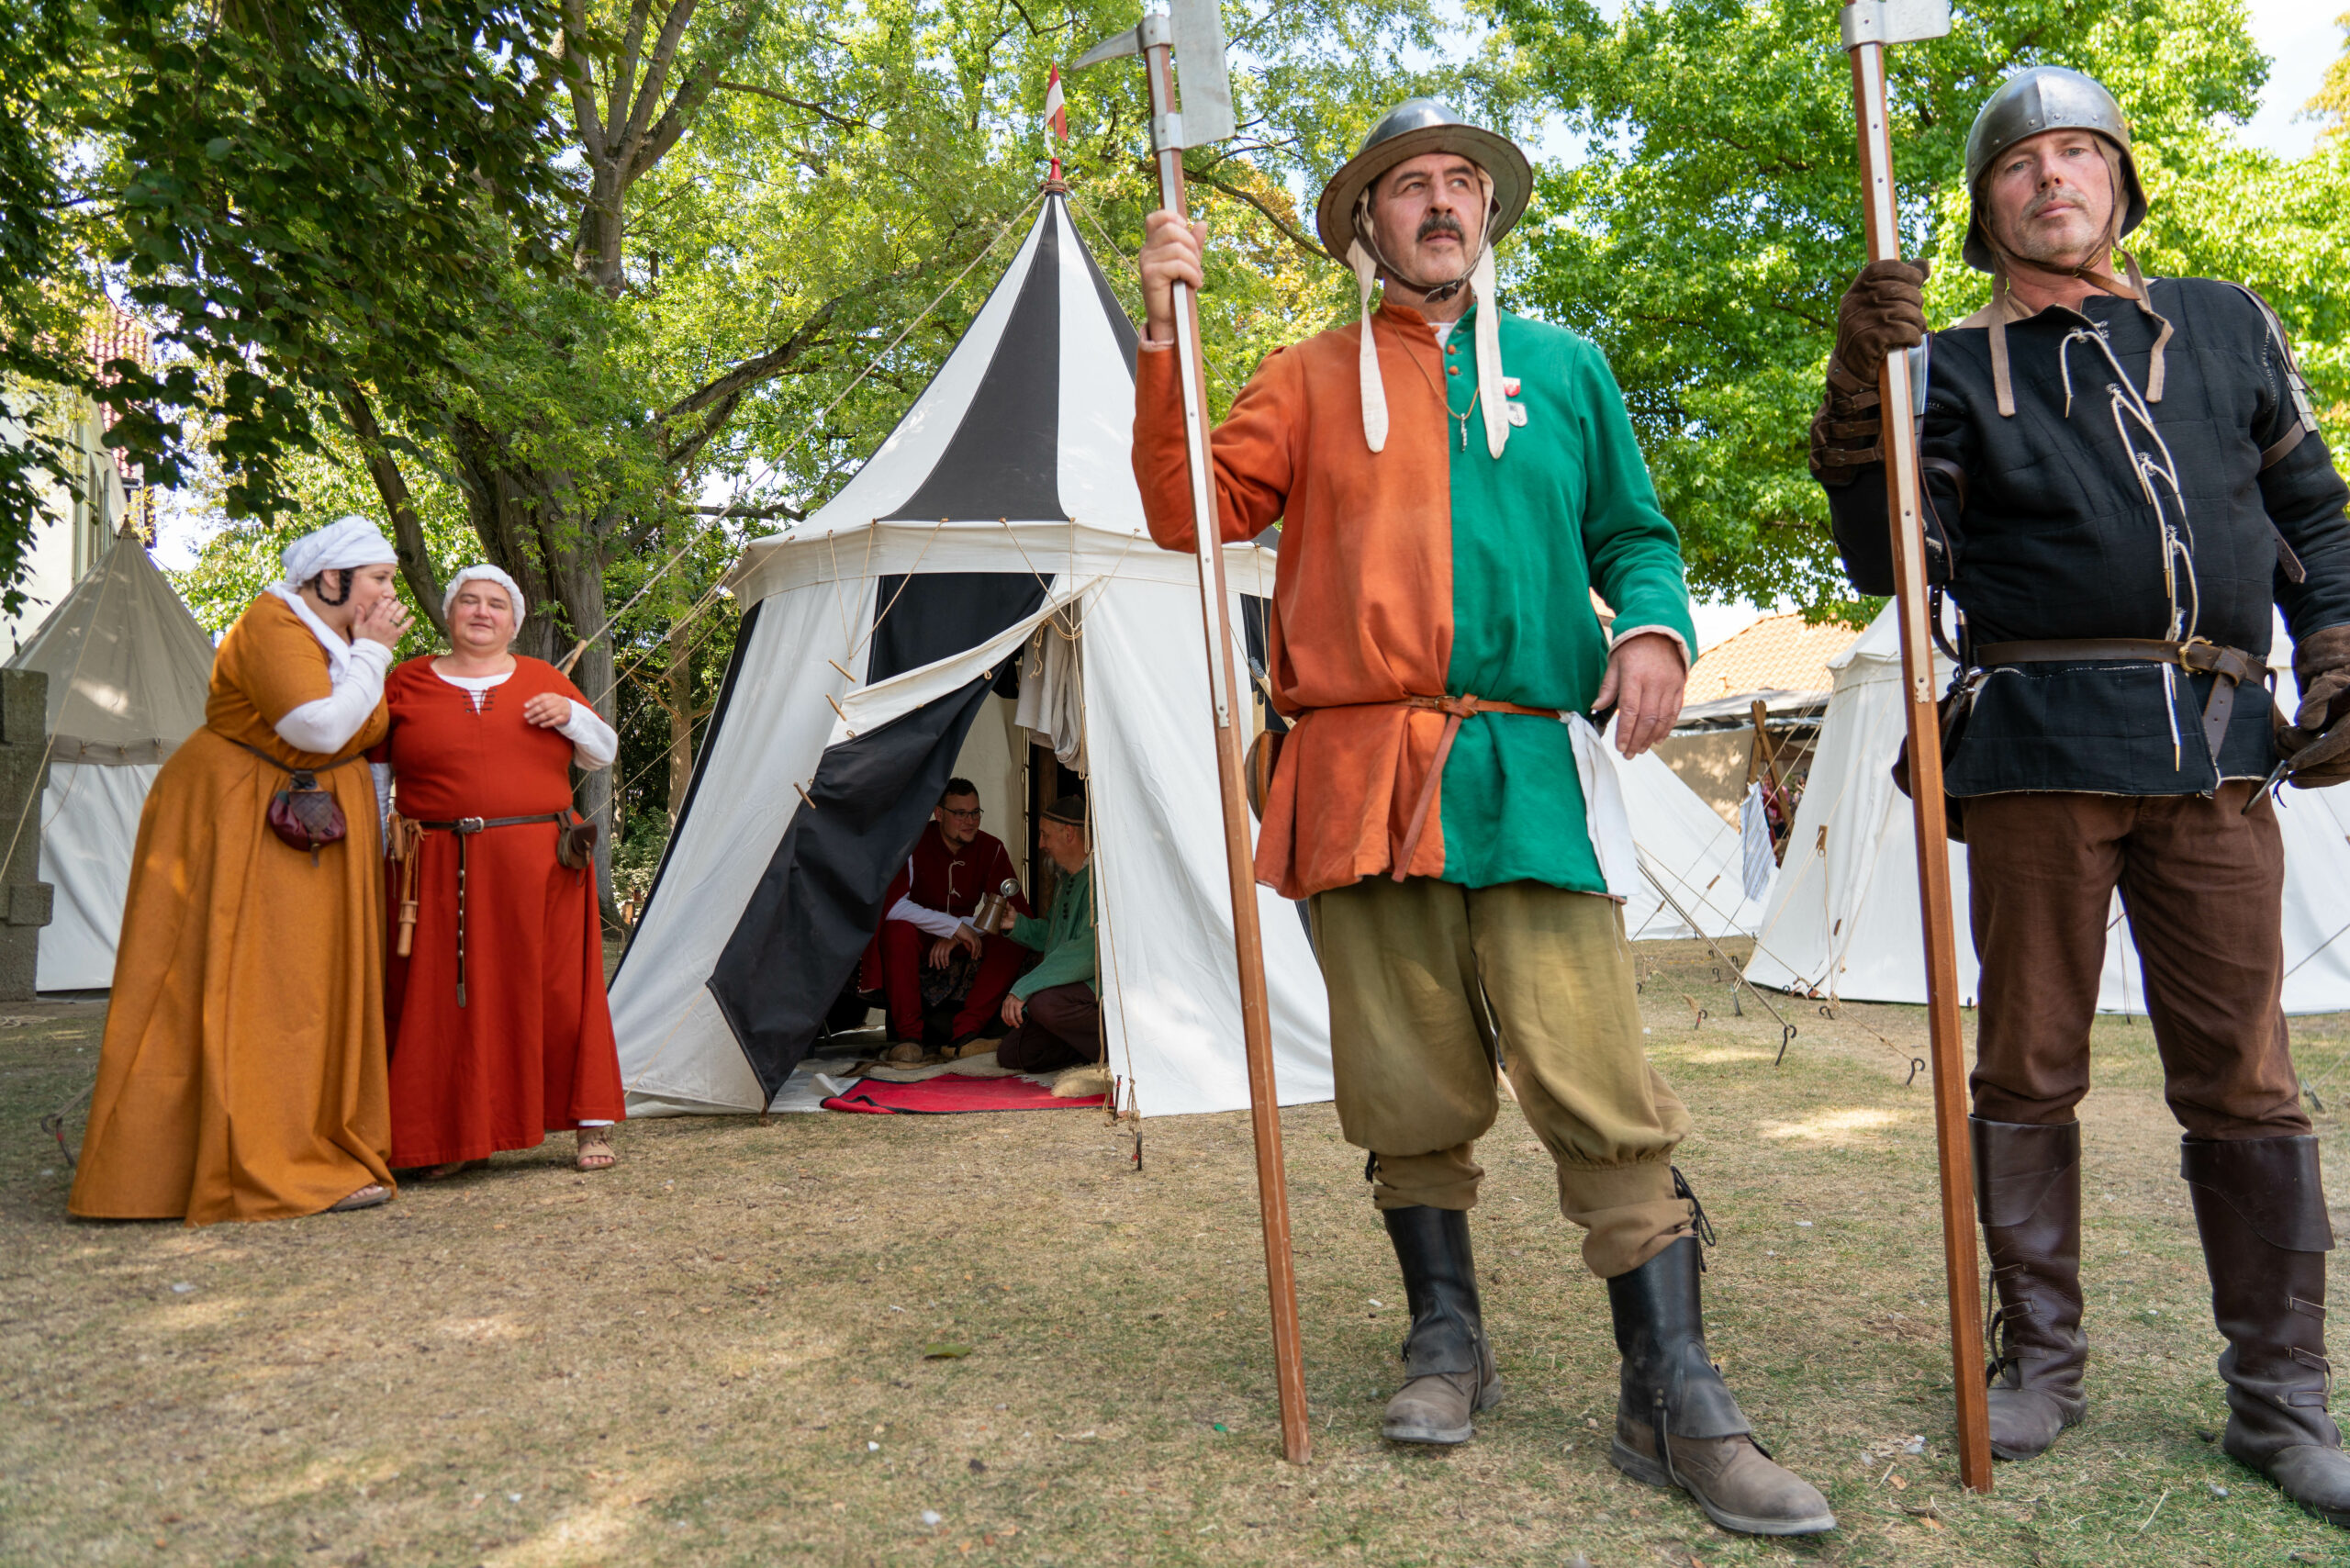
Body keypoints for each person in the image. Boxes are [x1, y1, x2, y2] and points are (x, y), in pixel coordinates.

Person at [1131, 100, 1832, 1535]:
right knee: (1403, 1077)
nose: (1440, 204)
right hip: (1354, 769)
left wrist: (1650, 627)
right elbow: (1183, 512)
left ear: (1488, 216)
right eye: (1409, 188)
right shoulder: (1306, 375)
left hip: (1526, 767)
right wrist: (1162, 334)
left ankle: (1673, 1386)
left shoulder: (1566, 371)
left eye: (1461, 184)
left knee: (1596, 1078)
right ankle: (1444, 1339)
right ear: (1365, 226)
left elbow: (1636, 534)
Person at [1810, 67, 2350, 1525]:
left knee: (2247, 1078)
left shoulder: (2229, 321)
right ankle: (2040, 1359)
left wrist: (2341, 647)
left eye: (2077, 155)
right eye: (2020, 165)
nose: (2053, 179)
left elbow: (2312, 507)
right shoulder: (1950, 364)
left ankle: (2280, 1397)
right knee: (2029, 1066)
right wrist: (1863, 385)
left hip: (2216, 742)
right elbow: (1885, 558)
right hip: (2041, 743)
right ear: (1988, 207)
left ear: (2118, 181)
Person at [69, 515, 413, 1224]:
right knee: (256, 987)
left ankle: (311, 1141)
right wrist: (375, 655)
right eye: (378, 579)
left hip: (308, 827)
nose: (387, 594)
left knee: (307, 989)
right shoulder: (273, 626)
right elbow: (315, 727)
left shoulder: (341, 640)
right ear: (331, 579)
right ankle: (246, 1160)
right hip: (242, 819)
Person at [375, 566, 627, 1177]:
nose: (482, 612)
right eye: (469, 601)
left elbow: (603, 752)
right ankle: (448, 1136)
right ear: (449, 613)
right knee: (441, 1001)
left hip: (539, 869)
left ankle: (588, 1120)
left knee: (558, 992)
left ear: (513, 622)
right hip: (434, 869)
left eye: (496, 604)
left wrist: (567, 716)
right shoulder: (404, 681)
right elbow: (375, 776)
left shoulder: (544, 679)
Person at [855, 778, 1031, 1058]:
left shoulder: (990, 847)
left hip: (965, 939)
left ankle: (964, 1036)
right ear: (939, 814)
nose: (970, 821)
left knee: (1013, 939)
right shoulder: (913, 841)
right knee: (896, 932)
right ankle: (909, 1038)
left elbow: (1010, 915)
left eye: (975, 813)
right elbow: (892, 907)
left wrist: (959, 934)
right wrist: (952, 926)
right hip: (919, 936)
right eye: (960, 813)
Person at [992, 793, 1099, 1074]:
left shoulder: (1100, 880)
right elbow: (1052, 934)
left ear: (1068, 834)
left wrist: (1027, 986)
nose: (1040, 844)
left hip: (1097, 990)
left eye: (1044, 835)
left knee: (1044, 1003)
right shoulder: (1068, 880)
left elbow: (1088, 951)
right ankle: (1087, 1049)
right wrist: (1018, 925)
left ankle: (1118, 1047)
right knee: (1014, 1053)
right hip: (1070, 993)